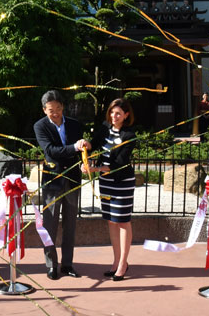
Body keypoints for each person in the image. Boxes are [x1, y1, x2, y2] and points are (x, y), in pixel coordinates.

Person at [33, 90, 90, 280]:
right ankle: (51, 264)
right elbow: (50, 150)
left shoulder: (74, 124)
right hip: (52, 180)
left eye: (58, 108)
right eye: (51, 110)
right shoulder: (40, 126)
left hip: (73, 179)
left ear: (63, 107)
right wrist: (74, 147)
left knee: (70, 224)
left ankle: (67, 264)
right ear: (44, 110)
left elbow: (80, 152)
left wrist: (84, 152)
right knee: (49, 224)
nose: (55, 112)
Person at [90, 98, 136, 281]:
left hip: (122, 181)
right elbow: (94, 145)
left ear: (126, 115)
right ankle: (116, 261)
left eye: (118, 113)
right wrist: (86, 149)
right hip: (106, 182)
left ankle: (123, 263)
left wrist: (95, 169)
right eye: (112, 112)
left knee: (123, 220)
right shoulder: (103, 129)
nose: (114, 116)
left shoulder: (129, 135)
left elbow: (119, 163)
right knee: (111, 220)